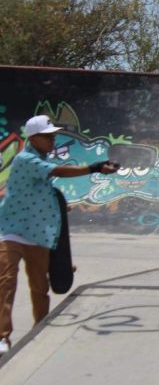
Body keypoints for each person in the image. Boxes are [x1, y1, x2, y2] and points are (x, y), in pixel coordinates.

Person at [0, 115, 118, 355]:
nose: (53, 140)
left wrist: (59, 208)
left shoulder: (40, 161)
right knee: (5, 282)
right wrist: (94, 167)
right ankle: (2, 337)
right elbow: (57, 171)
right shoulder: (25, 159)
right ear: (33, 138)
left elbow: (43, 192)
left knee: (39, 287)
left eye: (54, 136)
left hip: (38, 235)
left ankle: (39, 328)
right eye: (48, 136)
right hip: (10, 232)